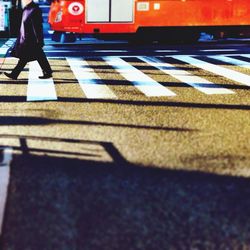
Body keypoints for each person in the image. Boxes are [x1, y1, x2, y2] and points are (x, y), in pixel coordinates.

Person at [4, 0, 53, 80]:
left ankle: (15, 74)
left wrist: (40, 40)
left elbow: (37, 27)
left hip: (31, 39)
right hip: (26, 38)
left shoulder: (34, 9)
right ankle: (47, 71)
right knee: (30, 56)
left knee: (30, 56)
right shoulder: (27, 9)